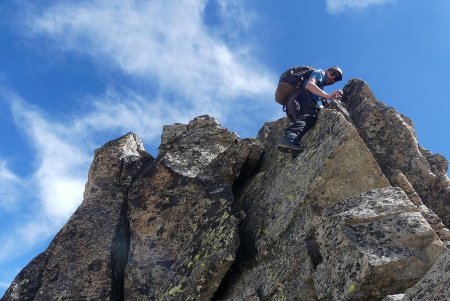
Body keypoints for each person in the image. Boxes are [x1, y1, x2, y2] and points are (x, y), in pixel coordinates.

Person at [277, 66, 343, 155]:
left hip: (295, 103)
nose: (333, 78)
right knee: (310, 116)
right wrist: (328, 96)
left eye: (336, 78)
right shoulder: (320, 73)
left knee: (308, 120)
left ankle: (293, 145)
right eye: (333, 73)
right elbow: (309, 85)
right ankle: (289, 139)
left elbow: (317, 103)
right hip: (301, 97)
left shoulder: (320, 88)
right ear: (327, 70)